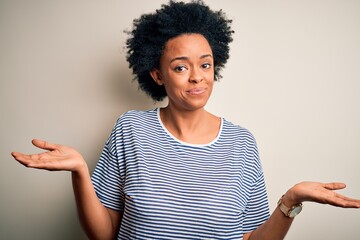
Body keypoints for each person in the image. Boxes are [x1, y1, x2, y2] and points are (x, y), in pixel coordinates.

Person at [11, 1, 360, 239]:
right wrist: (80, 173)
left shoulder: (241, 143)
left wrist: (290, 200)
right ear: (158, 74)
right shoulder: (131, 129)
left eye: (205, 65)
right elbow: (105, 234)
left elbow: (251, 238)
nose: (197, 77)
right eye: (181, 67)